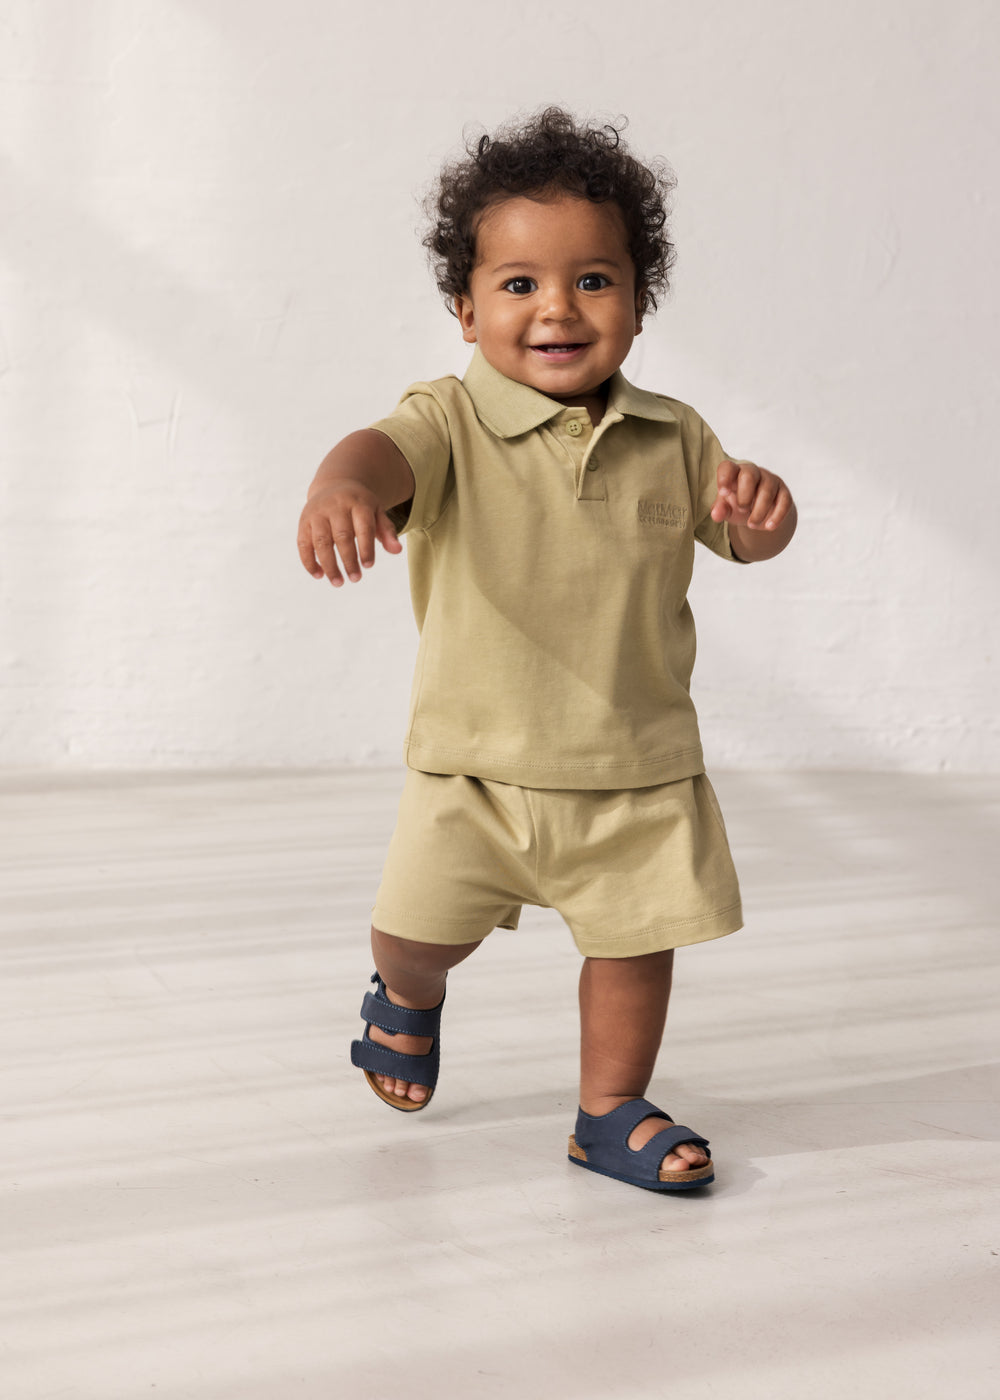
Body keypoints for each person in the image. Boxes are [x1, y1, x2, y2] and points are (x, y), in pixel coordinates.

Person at [296, 108, 796, 1192]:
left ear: (639, 300)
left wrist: (766, 510)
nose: (558, 307)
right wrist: (343, 485)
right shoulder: (447, 421)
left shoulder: (675, 434)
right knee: (418, 934)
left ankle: (608, 1110)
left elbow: (745, 537)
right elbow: (380, 451)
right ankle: (407, 995)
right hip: (473, 767)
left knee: (634, 945)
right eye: (519, 283)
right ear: (466, 308)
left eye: (594, 280)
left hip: (634, 766)